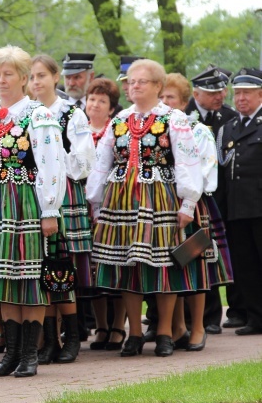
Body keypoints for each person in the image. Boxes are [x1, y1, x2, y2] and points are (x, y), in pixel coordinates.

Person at [0, 45, 66, 378]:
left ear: (22, 78)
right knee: (2, 275)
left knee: (28, 276)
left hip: (23, 200)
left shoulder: (38, 114)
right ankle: (12, 352)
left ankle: (30, 353)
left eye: (8, 74)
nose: (2, 80)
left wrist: (50, 208)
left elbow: (51, 161)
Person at [86, 59, 205, 357]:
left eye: (140, 81)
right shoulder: (119, 120)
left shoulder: (174, 119)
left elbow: (188, 161)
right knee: (128, 265)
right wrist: (97, 203)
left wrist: (188, 202)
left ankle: (165, 331)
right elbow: (102, 164)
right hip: (122, 198)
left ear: (157, 86)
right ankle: (134, 334)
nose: (133, 86)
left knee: (164, 265)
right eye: (130, 81)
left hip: (160, 197)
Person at [29, 54, 94, 364]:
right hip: (31, 194)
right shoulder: (26, 113)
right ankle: (48, 338)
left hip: (63, 192)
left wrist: (53, 162)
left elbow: (83, 160)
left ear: (55, 77)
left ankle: (71, 336)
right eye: (31, 77)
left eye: (41, 75)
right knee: (37, 265)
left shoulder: (72, 113)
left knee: (59, 263)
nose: (36, 82)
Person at [161, 72, 229, 350]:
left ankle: (199, 326)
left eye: (170, 97)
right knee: (170, 264)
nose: (165, 102)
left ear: (184, 101)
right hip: (163, 203)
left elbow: (203, 172)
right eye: (161, 96)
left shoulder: (198, 130)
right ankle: (177, 325)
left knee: (194, 263)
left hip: (194, 203)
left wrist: (187, 200)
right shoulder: (157, 128)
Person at [185, 65, 239, 334]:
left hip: (221, 198)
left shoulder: (230, 116)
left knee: (213, 256)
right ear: (196, 93)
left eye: (222, 90)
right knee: (194, 254)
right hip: (193, 199)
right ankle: (198, 317)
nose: (220, 95)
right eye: (212, 91)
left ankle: (214, 317)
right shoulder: (182, 117)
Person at [216, 68, 262, 336]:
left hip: (259, 207)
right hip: (237, 208)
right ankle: (256, 317)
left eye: (247, 93)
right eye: (238, 93)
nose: (241, 98)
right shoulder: (229, 128)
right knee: (245, 266)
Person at [83, 77, 128, 351]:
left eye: (102, 101)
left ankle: (118, 327)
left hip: (111, 202)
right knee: (93, 270)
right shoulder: (78, 131)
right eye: (91, 99)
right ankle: (101, 326)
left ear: (111, 108)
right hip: (82, 207)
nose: (95, 105)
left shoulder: (116, 130)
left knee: (115, 264)